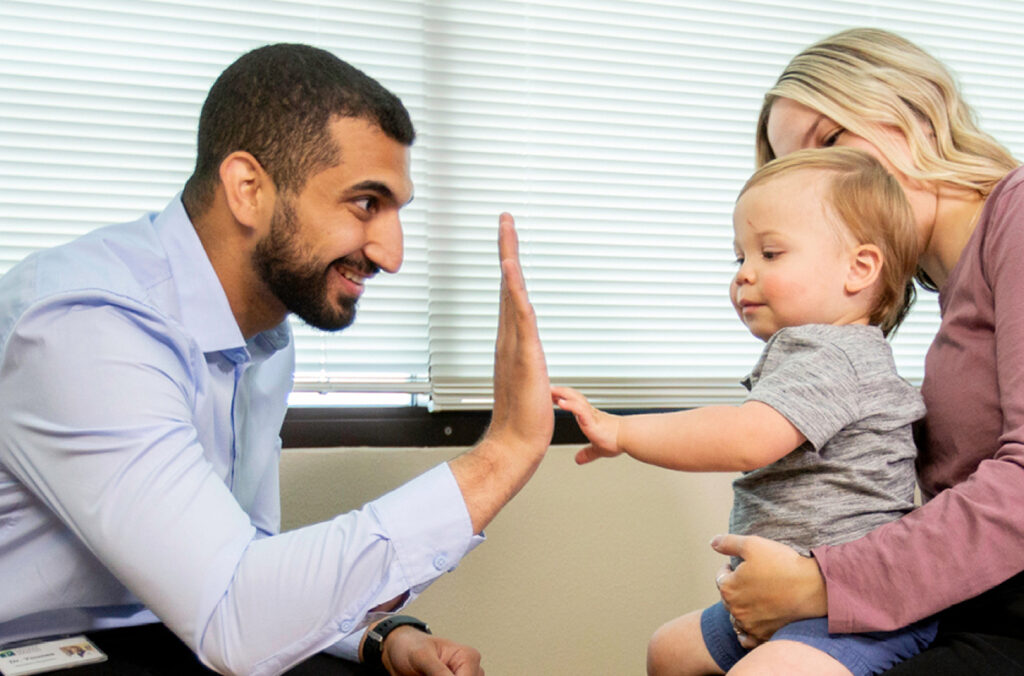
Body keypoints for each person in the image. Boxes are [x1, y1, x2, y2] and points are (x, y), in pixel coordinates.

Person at [0, 43, 554, 676]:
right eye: (366, 203)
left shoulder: (263, 339)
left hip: (174, 632)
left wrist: (375, 635)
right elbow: (234, 616)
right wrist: (503, 453)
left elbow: (246, 561)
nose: (392, 254)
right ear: (247, 189)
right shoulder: (86, 327)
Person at [709, 27, 1024, 675]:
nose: (834, 180)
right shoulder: (938, 298)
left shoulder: (1017, 217)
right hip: (971, 602)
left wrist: (822, 583)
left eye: (831, 140)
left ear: (916, 109)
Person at [552, 147, 935, 676]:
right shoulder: (810, 351)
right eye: (740, 258)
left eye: (770, 254)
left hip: (851, 611)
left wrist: (623, 431)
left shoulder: (839, 355)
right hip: (786, 599)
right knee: (670, 651)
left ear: (859, 268)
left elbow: (746, 437)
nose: (744, 275)